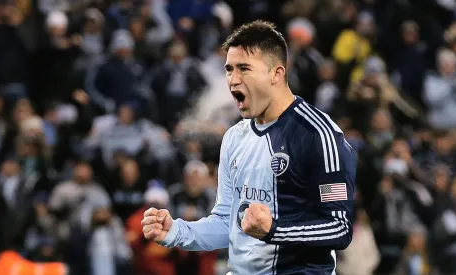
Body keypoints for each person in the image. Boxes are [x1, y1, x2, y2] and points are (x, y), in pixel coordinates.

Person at [142, 20, 357, 274]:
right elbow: (226, 223)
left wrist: (274, 230)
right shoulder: (235, 137)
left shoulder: (319, 135)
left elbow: (339, 228)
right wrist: (177, 231)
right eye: (229, 69)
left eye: (244, 68)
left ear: (276, 73)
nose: (233, 80)